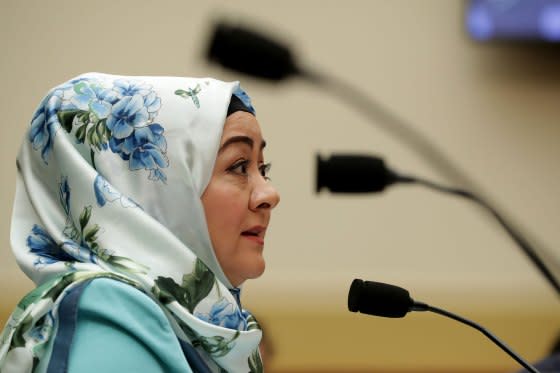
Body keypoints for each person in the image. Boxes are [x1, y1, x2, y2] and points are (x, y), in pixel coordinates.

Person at [0, 72, 280, 373]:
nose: (269, 193)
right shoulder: (109, 324)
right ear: (156, 191)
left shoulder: (198, 327)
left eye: (264, 169)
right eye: (239, 166)